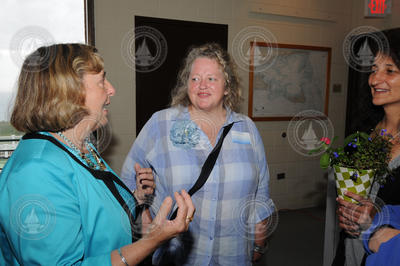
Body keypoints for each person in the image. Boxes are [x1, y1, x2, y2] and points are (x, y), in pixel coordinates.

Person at [0, 43, 195, 265]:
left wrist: (136, 199)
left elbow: (90, 211)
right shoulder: (36, 171)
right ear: (70, 93)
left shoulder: (79, 146)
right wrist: (152, 241)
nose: (111, 89)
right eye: (102, 81)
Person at [121, 43, 275, 265]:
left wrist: (259, 242)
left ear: (227, 87)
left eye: (211, 78)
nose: (202, 85)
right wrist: (145, 220)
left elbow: (261, 193)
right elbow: (127, 179)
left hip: (234, 255)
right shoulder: (161, 124)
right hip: (177, 256)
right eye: (195, 79)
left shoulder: (247, 128)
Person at [335, 28, 400, 266]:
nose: (374, 79)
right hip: (349, 250)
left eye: (389, 70)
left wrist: (376, 217)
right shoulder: (364, 130)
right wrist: (347, 211)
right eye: (374, 69)